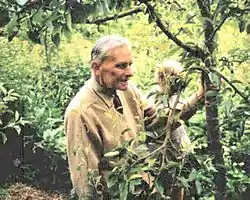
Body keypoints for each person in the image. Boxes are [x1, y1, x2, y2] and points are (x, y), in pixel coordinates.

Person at [64, 35, 204, 200]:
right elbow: (86, 184)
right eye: (121, 66)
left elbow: (159, 121)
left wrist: (200, 96)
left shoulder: (127, 90)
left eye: (130, 64)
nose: (130, 72)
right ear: (96, 68)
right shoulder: (80, 112)